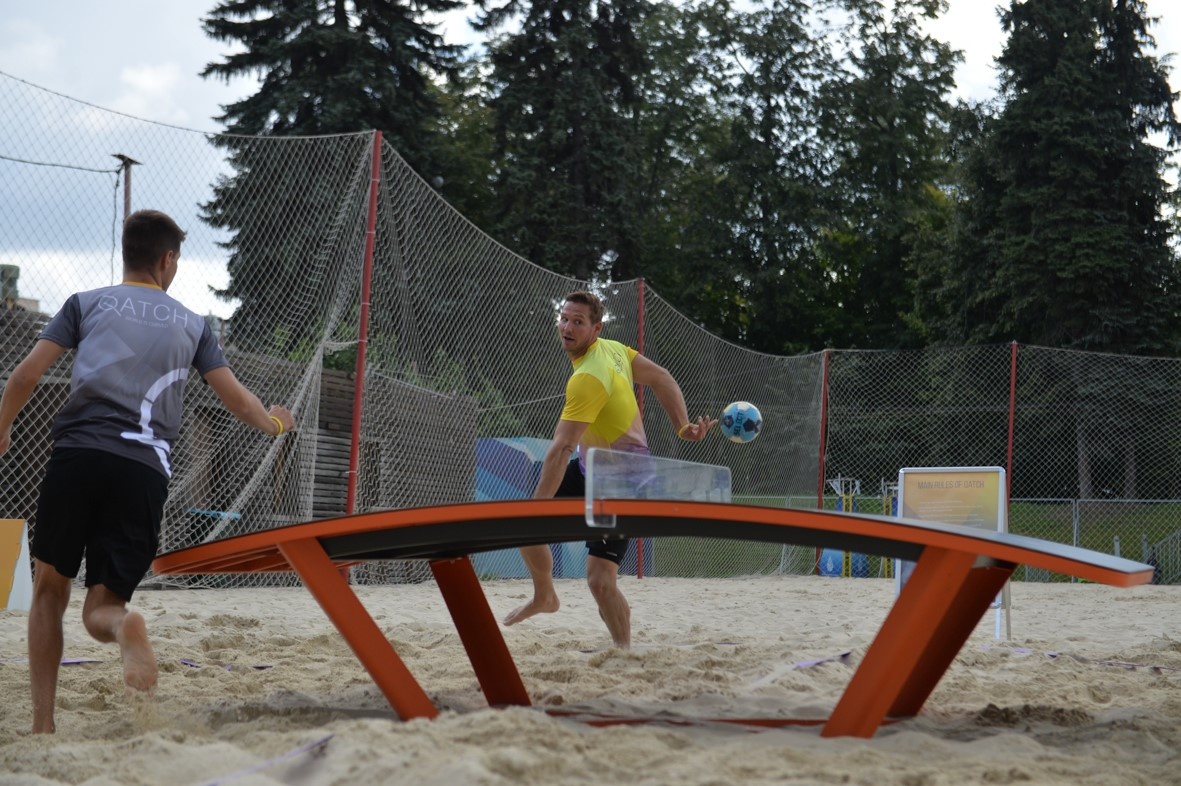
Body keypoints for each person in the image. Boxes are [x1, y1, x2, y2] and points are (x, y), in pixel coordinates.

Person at [0, 209, 295, 734]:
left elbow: (25, 376)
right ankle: (123, 626)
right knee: (102, 606)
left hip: (78, 456)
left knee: (49, 590)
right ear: (168, 259)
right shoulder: (193, 324)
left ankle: (43, 724)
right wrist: (276, 424)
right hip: (143, 469)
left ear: (127, 254)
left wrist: (2, 429)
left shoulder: (85, 303)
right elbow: (238, 402)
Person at [502, 290, 716, 648]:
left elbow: (562, 447)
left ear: (596, 328)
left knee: (600, 581)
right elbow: (662, 377)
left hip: (625, 482)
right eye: (564, 319)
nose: (567, 327)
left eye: (578, 322)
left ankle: (624, 652)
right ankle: (545, 596)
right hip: (592, 469)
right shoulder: (613, 350)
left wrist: (539, 505)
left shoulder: (589, 376)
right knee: (523, 528)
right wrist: (682, 426)